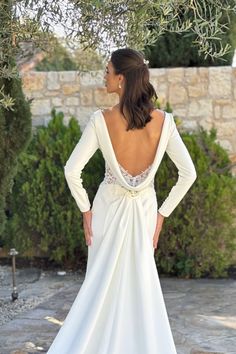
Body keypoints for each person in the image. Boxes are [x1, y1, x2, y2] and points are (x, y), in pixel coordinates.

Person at [47, 47, 197, 354]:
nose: (104, 76)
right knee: (140, 286)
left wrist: (86, 211)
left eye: (107, 71)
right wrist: (161, 215)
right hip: (144, 213)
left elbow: (72, 169)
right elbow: (188, 173)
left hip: (107, 211)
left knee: (99, 284)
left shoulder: (101, 120)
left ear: (121, 79)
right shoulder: (164, 122)